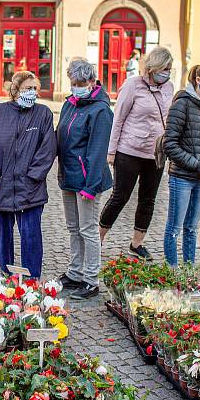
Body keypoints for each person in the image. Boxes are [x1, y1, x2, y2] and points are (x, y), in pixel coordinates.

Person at [0, 71, 57, 279]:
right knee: (3, 236)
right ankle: (6, 274)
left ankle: (32, 280)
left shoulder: (43, 114)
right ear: (15, 91)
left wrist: (34, 177)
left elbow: (48, 149)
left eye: (35, 88)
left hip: (30, 189)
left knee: (31, 237)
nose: (33, 93)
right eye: (28, 89)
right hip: (1, 187)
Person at [99, 46, 174, 260]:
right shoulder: (133, 85)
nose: (167, 72)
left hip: (155, 154)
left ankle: (137, 243)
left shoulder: (169, 88)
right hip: (129, 151)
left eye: (169, 68)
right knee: (120, 196)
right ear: (153, 67)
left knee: (148, 200)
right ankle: (99, 238)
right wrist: (111, 152)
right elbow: (118, 119)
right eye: (164, 68)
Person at [56, 58, 113, 300]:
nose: (76, 86)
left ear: (91, 81)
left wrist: (90, 186)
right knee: (73, 228)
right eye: (73, 82)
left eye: (80, 82)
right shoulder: (70, 104)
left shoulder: (100, 110)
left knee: (88, 230)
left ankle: (91, 280)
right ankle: (75, 272)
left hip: (88, 179)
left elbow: (98, 151)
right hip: (69, 176)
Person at [162, 62, 200, 267]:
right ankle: (172, 271)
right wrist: (195, 163)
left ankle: (188, 273)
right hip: (181, 178)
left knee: (191, 228)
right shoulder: (182, 103)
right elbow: (169, 144)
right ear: (198, 80)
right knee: (174, 228)